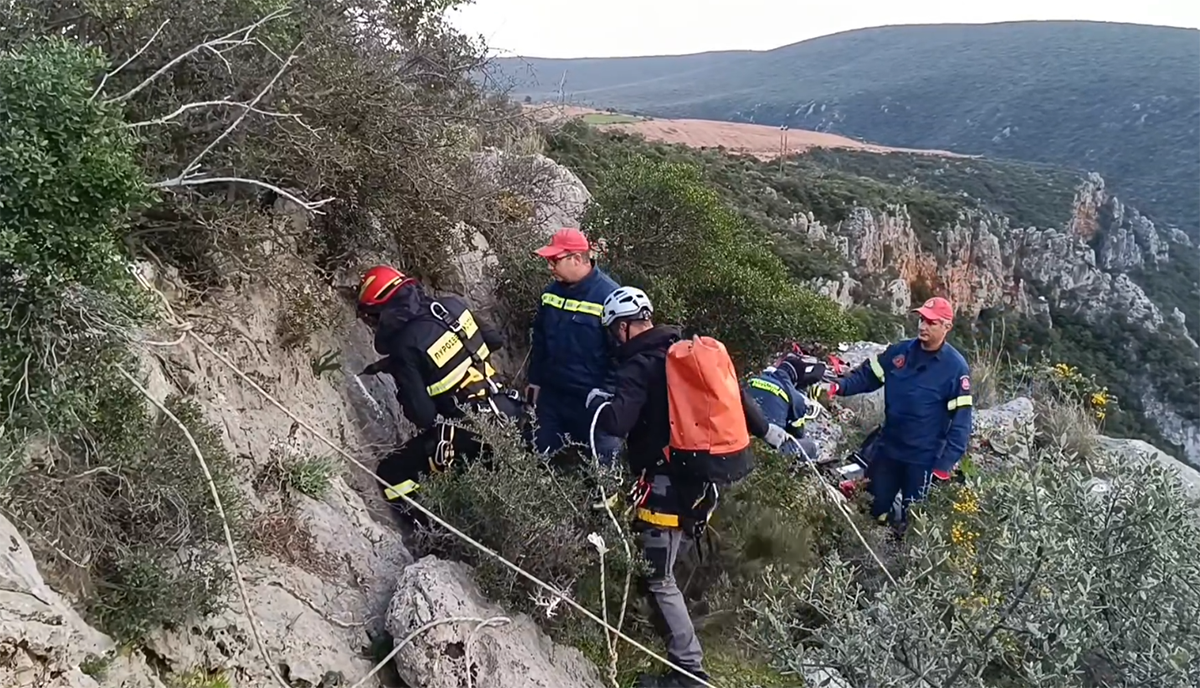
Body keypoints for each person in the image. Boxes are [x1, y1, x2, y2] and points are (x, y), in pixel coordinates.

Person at [586, 286, 801, 688]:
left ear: (625, 328)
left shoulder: (640, 365)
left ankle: (690, 673)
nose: (614, 339)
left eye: (615, 331)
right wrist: (770, 432)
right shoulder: (684, 352)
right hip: (700, 486)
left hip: (665, 486)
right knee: (667, 570)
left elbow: (616, 423)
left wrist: (597, 402)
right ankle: (679, 652)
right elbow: (735, 397)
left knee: (658, 577)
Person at [355, 265, 522, 510]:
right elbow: (493, 340)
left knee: (391, 474)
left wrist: (409, 377)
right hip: (509, 409)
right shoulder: (451, 306)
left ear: (382, 310)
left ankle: (428, 525)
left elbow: (423, 416)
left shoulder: (404, 346)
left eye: (371, 316)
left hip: (471, 432)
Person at [828, 296, 973, 525]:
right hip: (889, 449)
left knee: (914, 521)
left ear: (947, 327)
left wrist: (943, 466)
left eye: (931, 322)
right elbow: (868, 376)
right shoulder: (899, 353)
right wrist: (838, 387)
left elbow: (962, 423)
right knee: (871, 508)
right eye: (922, 319)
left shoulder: (956, 369)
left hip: (924, 458)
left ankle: (901, 555)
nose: (923, 326)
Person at [527, 227, 623, 462]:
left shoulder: (610, 297)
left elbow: (622, 354)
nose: (550, 266)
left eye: (554, 260)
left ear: (577, 258)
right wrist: (535, 381)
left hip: (591, 402)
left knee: (598, 475)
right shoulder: (550, 294)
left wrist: (606, 395)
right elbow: (539, 341)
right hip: (552, 398)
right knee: (537, 462)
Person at [744, 352, 827, 464]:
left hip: (739, 434)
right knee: (810, 446)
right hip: (767, 447)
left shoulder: (755, 377)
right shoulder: (796, 398)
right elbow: (797, 434)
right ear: (797, 380)